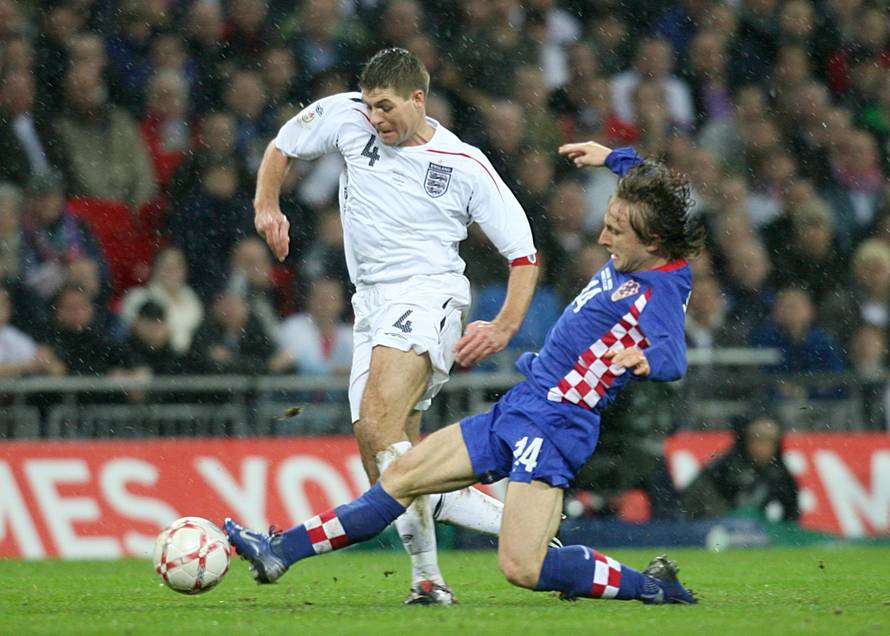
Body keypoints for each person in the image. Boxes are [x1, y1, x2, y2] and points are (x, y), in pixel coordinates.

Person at [226, 141, 702, 606]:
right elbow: (651, 185)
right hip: (525, 402)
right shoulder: (647, 230)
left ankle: (650, 586)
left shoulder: (660, 290)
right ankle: (280, 551)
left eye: (615, 231)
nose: (603, 238)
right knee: (401, 475)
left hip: (558, 425)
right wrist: (613, 158)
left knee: (523, 568)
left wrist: (647, 361)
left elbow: (672, 355)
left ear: (652, 242)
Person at [248, 47, 539, 604]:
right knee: (386, 457)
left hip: (427, 295)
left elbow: (524, 255)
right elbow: (282, 145)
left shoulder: (464, 164)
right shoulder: (347, 116)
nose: (375, 117)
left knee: (384, 431)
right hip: (370, 306)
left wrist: (504, 325)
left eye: (386, 106)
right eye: (370, 105)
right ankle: (435, 577)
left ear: (417, 99)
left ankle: (510, 532)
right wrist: (267, 205)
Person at [681, 417, 800, 523]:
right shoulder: (726, 467)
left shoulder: (779, 473)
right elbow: (699, 501)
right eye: (756, 439)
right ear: (746, 441)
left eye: (768, 441)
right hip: (713, 520)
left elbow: (791, 508)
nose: (761, 447)